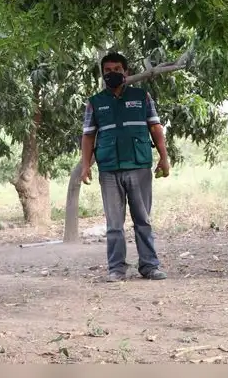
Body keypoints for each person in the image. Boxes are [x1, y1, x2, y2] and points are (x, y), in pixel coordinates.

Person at [80, 51, 171, 283]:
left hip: (138, 165)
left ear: (126, 72)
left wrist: (164, 157)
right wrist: (85, 166)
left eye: (117, 70)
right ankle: (116, 269)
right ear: (102, 75)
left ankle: (150, 266)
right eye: (108, 71)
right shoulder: (95, 103)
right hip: (109, 169)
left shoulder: (142, 97)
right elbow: (88, 136)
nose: (112, 74)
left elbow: (155, 128)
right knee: (114, 224)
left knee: (143, 220)